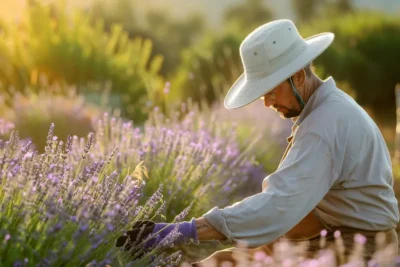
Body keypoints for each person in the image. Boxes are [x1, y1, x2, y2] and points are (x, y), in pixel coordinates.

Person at [116, 19, 400, 265]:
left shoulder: (323, 126)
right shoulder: (328, 108)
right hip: (329, 237)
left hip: (359, 251)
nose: (266, 102)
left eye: (271, 90)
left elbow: (276, 207)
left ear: (298, 77)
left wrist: (183, 231)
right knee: (217, 263)